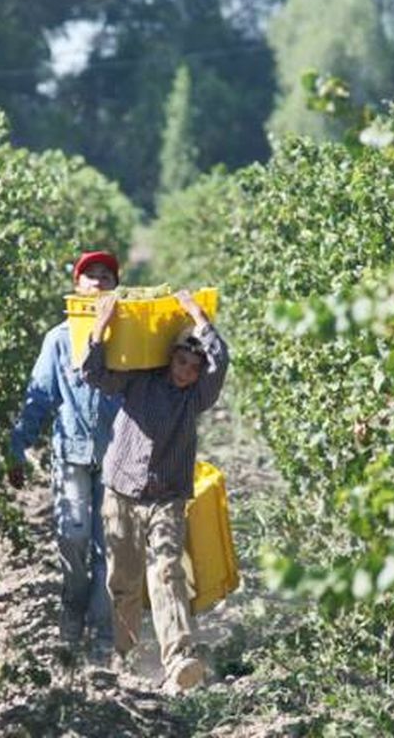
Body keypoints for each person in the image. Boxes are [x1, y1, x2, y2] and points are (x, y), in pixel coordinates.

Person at [81, 290, 229, 694]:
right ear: (169, 358)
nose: (186, 371)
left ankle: (179, 659)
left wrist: (197, 315)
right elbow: (93, 374)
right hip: (123, 491)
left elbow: (221, 361)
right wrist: (101, 326)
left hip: (167, 495)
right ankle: (124, 655)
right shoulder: (139, 381)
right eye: (182, 361)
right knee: (123, 580)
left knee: (167, 570)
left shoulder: (196, 397)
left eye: (194, 367)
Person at [9, 251, 122, 662]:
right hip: (71, 455)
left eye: (105, 276)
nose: (97, 282)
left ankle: (104, 640)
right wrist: (18, 445)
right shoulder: (59, 339)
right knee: (73, 539)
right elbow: (39, 396)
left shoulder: (130, 338)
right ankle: (72, 614)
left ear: (116, 286)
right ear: (77, 287)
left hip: (117, 461)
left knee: (110, 548)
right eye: (90, 276)